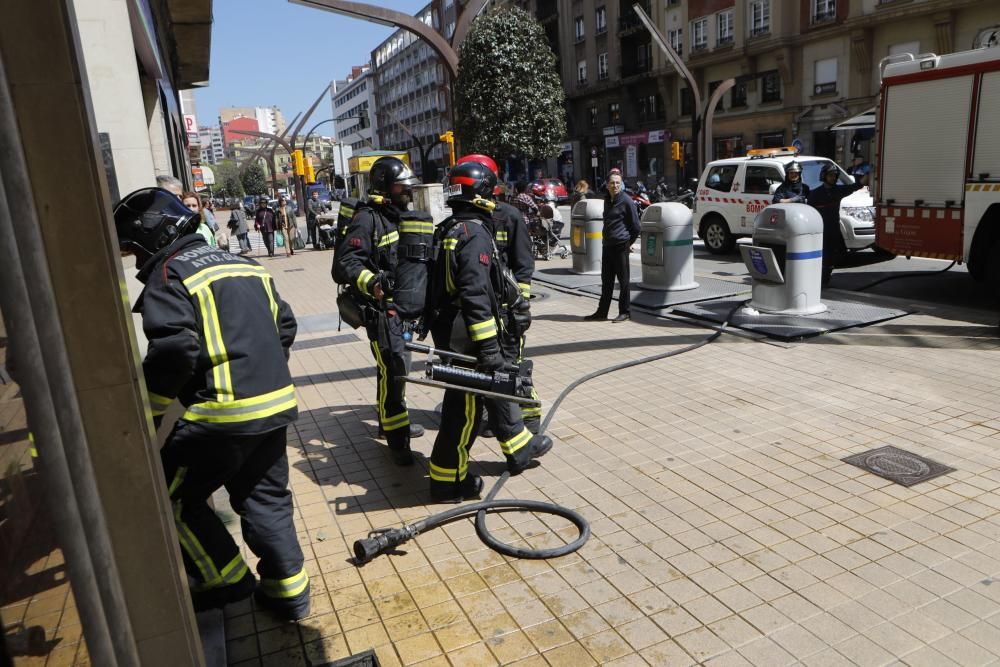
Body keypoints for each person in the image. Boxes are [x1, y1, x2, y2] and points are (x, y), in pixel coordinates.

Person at [112, 187, 309, 619]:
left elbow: (175, 351)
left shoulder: (170, 273)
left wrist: (147, 412)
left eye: (132, 249)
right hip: (274, 406)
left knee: (171, 497)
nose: (133, 259)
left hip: (219, 416)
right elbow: (286, 324)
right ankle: (288, 593)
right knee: (267, 498)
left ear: (151, 237)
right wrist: (261, 373)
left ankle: (225, 579)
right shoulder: (244, 264)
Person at [425, 161, 553, 502]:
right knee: (463, 414)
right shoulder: (474, 235)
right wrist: (490, 350)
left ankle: (507, 452)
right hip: (467, 339)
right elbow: (476, 297)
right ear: (480, 193)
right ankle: (446, 482)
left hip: (452, 332)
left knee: (465, 405)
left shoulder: (450, 228)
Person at [333, 157, 426, 465]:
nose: (408, 191)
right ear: (385, 186)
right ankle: (397, 440)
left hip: (404, 309)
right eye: (402, 186)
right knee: (394, 369)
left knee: (391, 370)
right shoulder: (367, 219)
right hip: (380, 309)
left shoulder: (402, 216)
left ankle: (389, 420)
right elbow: (348, 262)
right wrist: (372, 282)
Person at [455, 153, 541, 433]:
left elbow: (524, 266)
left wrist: (521, 306)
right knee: (487, 368)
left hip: (507, 309)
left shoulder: (510, 216)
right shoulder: (467, 220)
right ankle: (493, 419)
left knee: (515, 367)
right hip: (485, 311)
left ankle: (529, 418)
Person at [585, 172, 640, 323]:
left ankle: (625, 312)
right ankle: (602, 312)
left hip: (620, 246)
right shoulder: (607, 200)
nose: (615, 185)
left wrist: (628, 243)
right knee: (606, 281)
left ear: (621, 184)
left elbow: (636, 226)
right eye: (612, 183)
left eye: (617, 183)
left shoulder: (626, 201)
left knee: (623, 281)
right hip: (607, 245)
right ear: (607, 184)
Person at [808, 162, 866, 285]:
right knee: (819, 256)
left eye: (835, 175)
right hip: (819, 231)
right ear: (824, 176)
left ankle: (824, 281)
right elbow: (809, 213)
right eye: (830, 175)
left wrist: (870, 173)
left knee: (832, 257)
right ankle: (817, 280)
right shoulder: (815, 194)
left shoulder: (838, 191)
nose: (833, 178)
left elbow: (856, 185)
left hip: (833, 230)